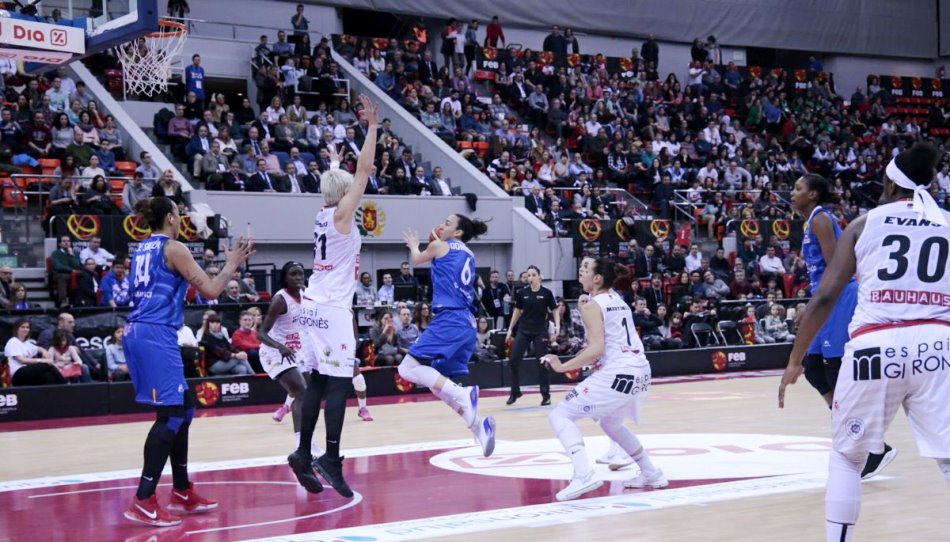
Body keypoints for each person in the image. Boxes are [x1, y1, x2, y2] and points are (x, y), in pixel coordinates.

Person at [779, 142, 950, 542]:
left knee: (847, 457)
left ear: (890, 184)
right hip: (938, 345)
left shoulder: (863, 223)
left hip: (876, 344)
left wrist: (795, 359)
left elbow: (825, 296)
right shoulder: (946, 222)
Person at [122, 197, 253, 527]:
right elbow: (211, 290)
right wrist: (231, 263)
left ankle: (181, 490)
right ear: (170, 217)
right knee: (170, 415)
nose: (182, 220)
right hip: (154, 333)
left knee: (185, 407)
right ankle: (143, 499)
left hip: (144, 331)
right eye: (179, 215)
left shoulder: (143, 248)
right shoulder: (173, 248)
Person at [289, 95, 378, 498]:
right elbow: (364, 172)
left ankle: (302, 452)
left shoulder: (323, 213)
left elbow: (341, 181)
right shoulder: (343, 214)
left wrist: (334, 162)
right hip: (332, 309)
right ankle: (331, 459)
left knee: (318, 383)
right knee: (340, 385)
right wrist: (371, 128)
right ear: (344, 194)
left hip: (312, 305)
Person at [790, 173, 896, 477]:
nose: (793, 192)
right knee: (812, 368)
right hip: (824, 296)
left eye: (798, 188)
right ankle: (848, 424)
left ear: (813, 194)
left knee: (835, 369)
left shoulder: (821, 219)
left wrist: (814, 305)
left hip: (838, 296)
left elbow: (837, 268)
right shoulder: (810, 221)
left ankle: (874, 445)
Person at [540, 257, 666, 501]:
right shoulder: (617, 299)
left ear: (597, 279)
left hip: (620, 372)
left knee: (559, 415)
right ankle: (652, 473)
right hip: (641, 371)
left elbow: (596, 349)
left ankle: (583, 474)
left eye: (586, 268)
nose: (581, 270)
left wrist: (562, 366)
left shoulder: (592, 305)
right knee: (611, 424)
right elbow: (604, 342)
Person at [399, 214, 496, 455]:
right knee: (438, 384)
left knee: (407, 369)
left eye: (448, 223)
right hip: (467, 322)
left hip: (449, 319)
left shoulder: (439, 245)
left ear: (458, 232)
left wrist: (414, 245)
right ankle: (480, 428)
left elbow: (417, 259)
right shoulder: (469, 254)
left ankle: (465, 393)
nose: (442, 225)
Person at [258, 261, 322, 455]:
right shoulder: (280, 300)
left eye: (300, 273)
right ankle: (300, 447)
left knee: (312, 394)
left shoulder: (306, 295)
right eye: (293, 274)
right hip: (274, 351)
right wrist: (280, 346)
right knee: (301, 392)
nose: (298, 277)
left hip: (296, 351)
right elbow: (261, 333)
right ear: (285, 278)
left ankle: (308, 443)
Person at [505, 265, 560, 406]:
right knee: (513, 359)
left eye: (533, 275)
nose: (531, 278)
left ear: (539, 276)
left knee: (542, 362)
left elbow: (555, 309)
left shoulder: (546, 293)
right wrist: (510, 329)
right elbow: (517, 311)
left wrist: (557, 326)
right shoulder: (522, 292)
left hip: (540, 331)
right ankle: (515, 392)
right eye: (529, 275)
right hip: (523, 330)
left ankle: (546, 395)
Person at [4, 319, 65, 386]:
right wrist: (42, 360)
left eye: (27, 327)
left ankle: (56, 391)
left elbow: (39, 348)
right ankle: (66, 384)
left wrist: (44, 351)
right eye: (23, 327)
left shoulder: (27, 343)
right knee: (47, 364)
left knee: (47, 376)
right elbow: (22, 360)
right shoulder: (13, 341)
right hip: (17, 373)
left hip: (27, 373)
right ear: (16, 329)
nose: (25, 329)